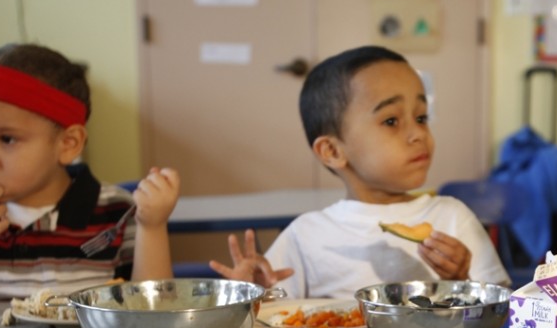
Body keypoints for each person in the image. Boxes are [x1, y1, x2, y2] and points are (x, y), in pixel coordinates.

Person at [210, 45, 509, 298]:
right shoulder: (307, 235)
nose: (418, 133)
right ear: (333, 151)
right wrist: (253, 292)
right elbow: (273, 317)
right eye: (391, 121)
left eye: (421, 117)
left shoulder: (452, 218)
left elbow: (502, 314)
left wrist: (463, 280)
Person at [0, 43, 180, 302]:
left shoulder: (116, 213)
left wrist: (152, 227)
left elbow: (154, 310)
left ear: (68, 144)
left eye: (6, 139)